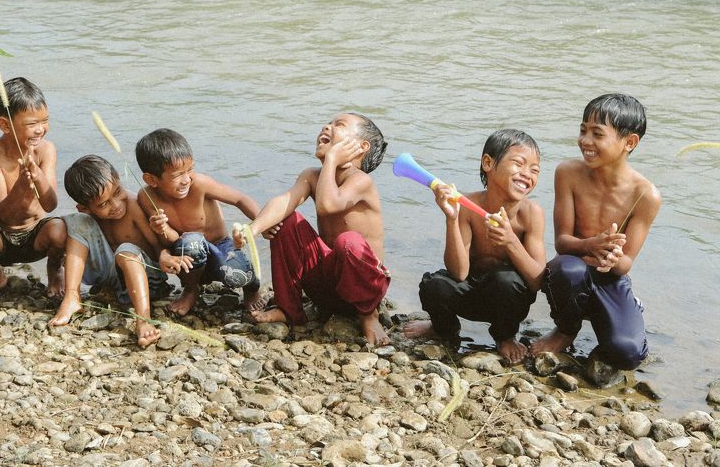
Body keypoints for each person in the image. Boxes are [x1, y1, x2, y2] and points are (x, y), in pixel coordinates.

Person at [233, 113, 391, 345]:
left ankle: (369, 315)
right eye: (328, 123)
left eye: (339, 125)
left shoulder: (361, 181)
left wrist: (331, 159)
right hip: (326, 289)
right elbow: (284, 202)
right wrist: (253, 229)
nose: (326, 126)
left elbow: (328, 205)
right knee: (286, 221)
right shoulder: (311, 176)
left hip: (364, 289)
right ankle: (289, 309)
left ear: (361, 147)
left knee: (348, 241)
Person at [531, 93, 661, 371]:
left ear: (629, 142)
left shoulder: (645, 195)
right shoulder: (568, 173)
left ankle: (624, 314)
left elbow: (625, 264)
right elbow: (562, 242)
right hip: (572, 271)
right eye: (583, 131)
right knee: (566, 269)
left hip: (610, 279)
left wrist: (613, 259)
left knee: (628, 354)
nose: (585, 141)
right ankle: (565, 330)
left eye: (597, 134)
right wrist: (591, 245)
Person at [402, 129, 546, 363]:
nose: (526, 174)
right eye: (519, 164)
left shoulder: (531, 214)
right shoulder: (467, 206)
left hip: (507, 300)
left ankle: (505, 337)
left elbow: (537, 281)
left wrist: (511, 241)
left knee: (506, 280)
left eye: (534, 170)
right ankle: (443, 328)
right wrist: (452, 218)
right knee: (435, 286)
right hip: (469, 292)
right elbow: (459, 273)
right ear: (488, 163)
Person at [0, 77, 66, 305]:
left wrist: (38, 178)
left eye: (45, 121)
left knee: (60, 229)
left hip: (35, 236)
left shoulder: (46, 150)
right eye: (32, 124)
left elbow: (50, 205)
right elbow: (2, 214)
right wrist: (22, 187)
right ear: (4, 125)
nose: (40, 129)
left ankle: (55, 270)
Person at [49, 155, 175, 347]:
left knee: (125, 249)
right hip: (110, 277)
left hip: (147, 280)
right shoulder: (87, 215)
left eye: (117, 192)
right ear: (85, 208)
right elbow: (80, 233)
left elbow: (158, 248)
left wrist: (165, 254)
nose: (116, 205)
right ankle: (72, 297)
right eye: (103, 204)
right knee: (76, 221)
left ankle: (143, 319)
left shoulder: (133, 205)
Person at [135, 128, 261, 317]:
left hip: (220, 246)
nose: (187, 180)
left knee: (239, 276)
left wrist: (262, 224)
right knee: (191, 241)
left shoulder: (200, 184)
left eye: (190, 170)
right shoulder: (147, 197)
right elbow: (173, 239)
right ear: (151, 179)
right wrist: (162, 229)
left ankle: (252, 289)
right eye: (177, 175)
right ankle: (191, 290)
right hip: (190, 255)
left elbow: (240, 199)